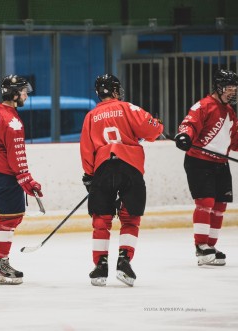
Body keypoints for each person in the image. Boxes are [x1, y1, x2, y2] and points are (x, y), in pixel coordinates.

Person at [174, 69, 238, 267]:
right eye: (229, 88)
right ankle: (201, 246)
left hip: (220, 163)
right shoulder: (204, 106)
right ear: (218, 87)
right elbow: (189, 124)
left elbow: (236, 138)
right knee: (205, 201)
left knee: (220, 205)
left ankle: (210, 246)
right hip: (198, 161)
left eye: (235, 89)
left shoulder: (229, 112)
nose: (233, 92)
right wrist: (185, 136)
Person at [80, 74, 164, 287]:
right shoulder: (128, 108)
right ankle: (124, 262)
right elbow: (154, 130)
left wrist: (90, 175)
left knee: (101, 219)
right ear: (116, 91)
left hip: (103, 168)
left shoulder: (91, 116)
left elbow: (86, 149)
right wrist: (157, 125)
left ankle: (100, 265)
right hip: (130, 167)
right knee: (130, 217)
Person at [0, 74, 43, 285]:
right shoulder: (12, 120)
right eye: (23, 91)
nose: (25, 95)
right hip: (6, 175)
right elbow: (17, 155)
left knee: (4, 219)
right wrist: (27, 180)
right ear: (14, 94)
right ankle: (2, 265)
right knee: (9, 220)